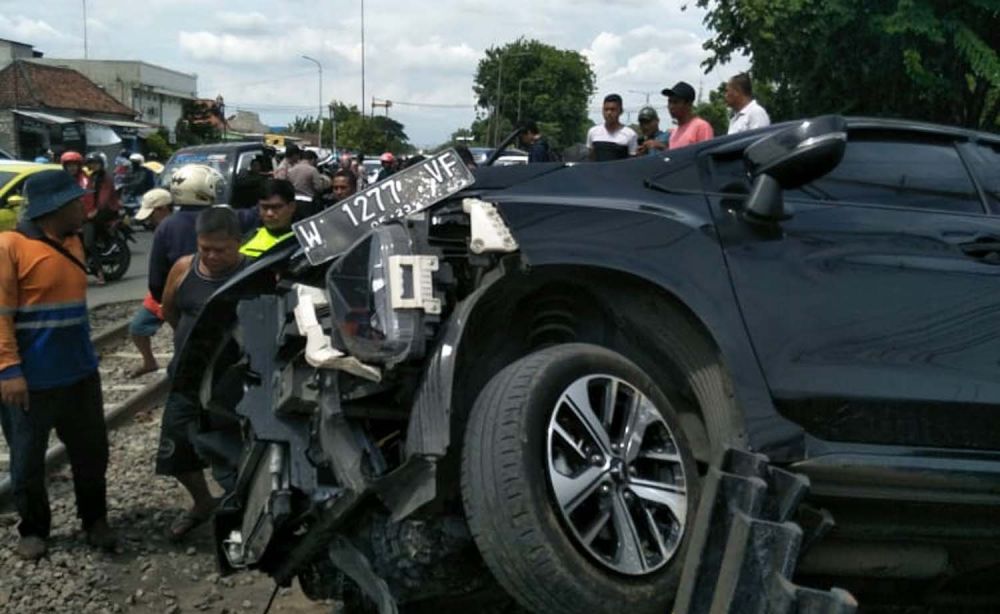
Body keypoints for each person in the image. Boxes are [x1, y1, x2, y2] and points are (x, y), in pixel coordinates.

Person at [0, 170, 117, 560]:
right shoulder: (10, 247)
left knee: (92, 452)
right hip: (31, 381)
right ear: (54, 208)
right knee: (27, 460)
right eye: (75, 202)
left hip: (80, 374)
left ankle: (94, 520)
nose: (83, 207)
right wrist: (8, 370)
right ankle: (33, 529)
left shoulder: (74, 241)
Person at [157, 206, 248, 540]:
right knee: (175, 448)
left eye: (220, 250)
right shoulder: (184, 268)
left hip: (232, 383)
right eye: (204, 248)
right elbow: (169, 310)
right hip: (186, 377)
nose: (211, 256)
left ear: (238, 243)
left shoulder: (251, 274)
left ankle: (242, 507)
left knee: (235, 449)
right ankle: (202, 502)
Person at [127, 188, 174, 378]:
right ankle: (149, 362)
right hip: (160, 291)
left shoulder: (177, 227)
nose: (149, 220)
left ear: (162, 209)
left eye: (151, 215)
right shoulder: (161, 230)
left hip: (175, 290)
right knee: (137, 328)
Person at [82, 151, 122, 285]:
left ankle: (100, 273)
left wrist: (95, 210)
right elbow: (86, 194)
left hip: (107, 210)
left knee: (88, 241)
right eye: (91, 163)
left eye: (95, 163)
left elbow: (104, 197)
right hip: (94, 209)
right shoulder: (90, 177)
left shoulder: (106, 178)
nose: (93, 165)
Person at [240, 179, 298, 258]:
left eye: (276, 207)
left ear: (292, 207)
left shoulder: (304, 242)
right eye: (264, 207)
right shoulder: (246, 238)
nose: (269, 213)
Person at [662, 81, 714, 149]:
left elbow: (707, 153)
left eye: (675, 102)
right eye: (669, 102)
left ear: (688, 104)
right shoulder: (674, 134)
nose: (671, 106)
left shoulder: (701, 127)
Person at [587, 94, 638, 161]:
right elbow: (590, 158)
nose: (609, 113)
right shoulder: (593, 132)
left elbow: (632, 161)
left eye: (613, 109)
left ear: (621, 111)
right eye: (606, 109)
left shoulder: (630, 134)